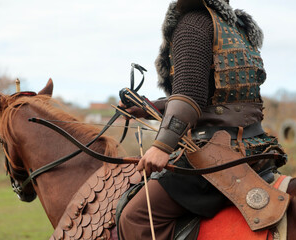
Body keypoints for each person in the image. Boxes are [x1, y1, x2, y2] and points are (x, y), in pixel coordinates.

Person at [118, 0, 286, 239]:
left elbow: (189, 96)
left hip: (217, 156)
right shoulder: (235, 27)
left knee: (137, 216)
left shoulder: (194, 22)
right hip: (255, 148)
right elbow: (214, 99)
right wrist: (150, 107)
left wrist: (161, 146)